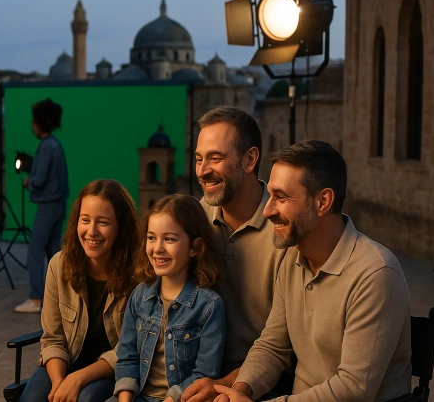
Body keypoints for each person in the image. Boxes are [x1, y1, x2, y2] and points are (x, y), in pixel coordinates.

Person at [214, 141, 412, 402]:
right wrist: (239, 391)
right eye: (270, 196)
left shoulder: (375, 274)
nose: (267, 210)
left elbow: (354, 389)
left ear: (323, 201)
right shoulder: (293, 258)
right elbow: (272, 346)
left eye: (281, 197)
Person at [182, 106, 290, 402]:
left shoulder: (287, 232)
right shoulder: (192, 221)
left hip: (264, 381)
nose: (202, 171)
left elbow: (285, 344)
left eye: (215, 158)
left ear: (250, 159)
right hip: (193, 370)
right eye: (199, 159)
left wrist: (226, 385)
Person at [20, 179, 141, 402]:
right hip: (67, 362)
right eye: (85, 220)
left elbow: (130, 350)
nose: (91, 231)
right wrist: (59, 383)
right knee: (32, 398)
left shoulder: (139, 274)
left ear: (120, 227)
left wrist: (77, 379)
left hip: (114, 369)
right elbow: (53, 339)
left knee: (85, 398)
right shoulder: (59, 265)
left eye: (103, 222)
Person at [112, 194, 226, 402]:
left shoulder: (209, 306)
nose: (157, 248)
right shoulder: (139, 295)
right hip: (136, 396)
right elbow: (127, 358)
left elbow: (204, 373)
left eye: (169, 239)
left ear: (195, 247)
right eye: (151, 238)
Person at [15, 98, 69, 313]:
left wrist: (29, 181)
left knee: (35, 251)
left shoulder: (46, 146)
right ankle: (58, 297)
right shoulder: (56, 145)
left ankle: (36, 298)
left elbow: (40, 180)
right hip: (58, 203)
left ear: (38, 122)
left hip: (48, 205)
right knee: (54, 252)